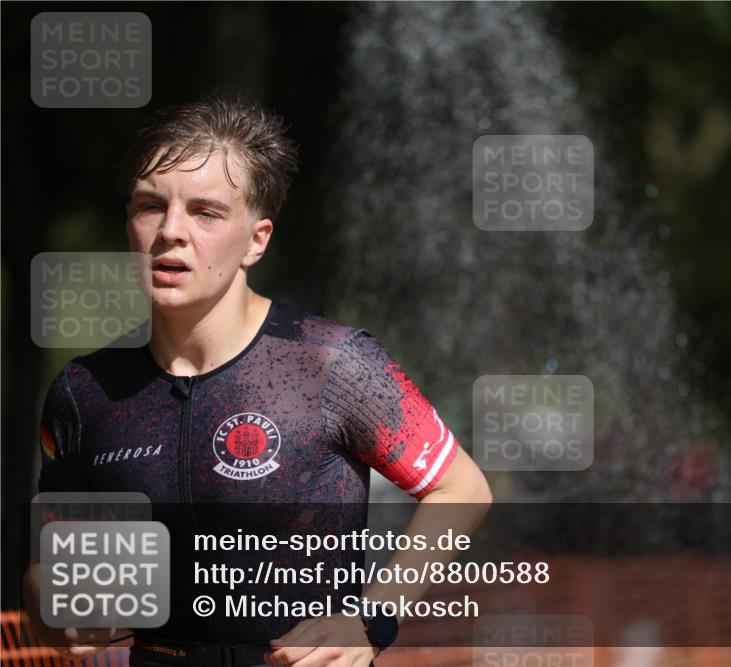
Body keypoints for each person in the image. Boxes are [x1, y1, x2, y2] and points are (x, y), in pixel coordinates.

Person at [25, 92, 492, 667]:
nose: (171, 231)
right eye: (150, 205)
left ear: (257, 239)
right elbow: (55, 565)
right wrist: (50, 600)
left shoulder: (332, 362)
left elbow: (462, 489)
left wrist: (373, 616)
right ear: (130, 223)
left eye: (206, 211)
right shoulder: (84, 391)